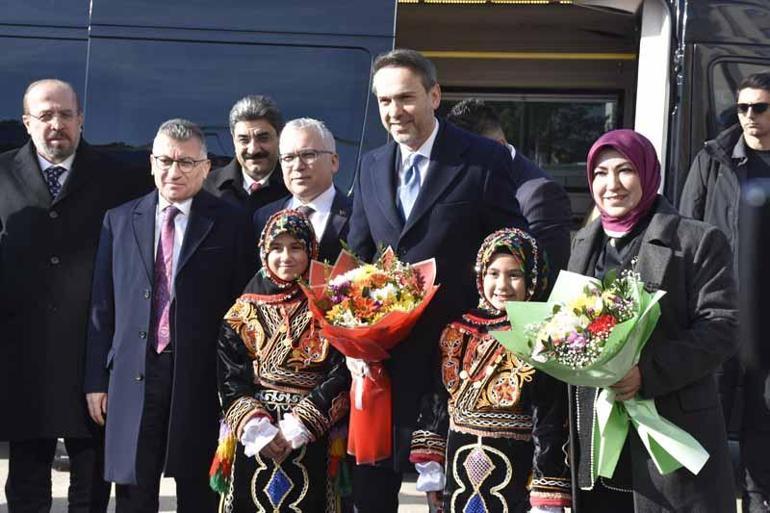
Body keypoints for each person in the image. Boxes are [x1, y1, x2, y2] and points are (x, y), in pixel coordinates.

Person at [346, 48, 528, 513]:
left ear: (435, 95)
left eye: (405, 98)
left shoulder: (483, 160)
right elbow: (357, 259)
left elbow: (511, 249)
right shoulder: (369, 166)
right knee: (373, 493)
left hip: (459, 367)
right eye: (384, 101)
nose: (394, 112)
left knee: (449, 494)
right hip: (383, 365)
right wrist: (352, 342)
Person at [84, 119, 255, 513]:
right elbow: (101, 307)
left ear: (206, 167)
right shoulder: (121, 219)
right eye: (164, 161)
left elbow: (243, 309)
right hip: (133, 376)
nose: (173, 171)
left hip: (198, 377)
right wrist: (96, 379)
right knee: (134, 491)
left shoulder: (229, 223)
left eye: (185, 163)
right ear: (151, 163)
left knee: (197, 490)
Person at [0, 78, 150, 513]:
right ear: (26, 122)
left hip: (92, 358)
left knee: (91, 490)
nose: (56, 124)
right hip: (23, 360)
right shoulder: (1, 173)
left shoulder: (119, 177)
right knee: (26, 487)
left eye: (66, 114)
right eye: (45, 115)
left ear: (81, 120)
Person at [570, 129, 737, 512]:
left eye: (625, 170)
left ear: (648, 174)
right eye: (599, 173)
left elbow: (721, 327)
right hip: (599, 436)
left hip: (672, 429)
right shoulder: (583, 243)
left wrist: (646, 372)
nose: (611, 185)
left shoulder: (696, 241)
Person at [409, 228, 571, 513]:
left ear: (533, 278)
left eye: (515, 275)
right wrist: (431, 468)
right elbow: (436, 402)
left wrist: (546, 494)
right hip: (458, 476)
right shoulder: (457, 331)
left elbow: (550, 421)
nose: (502, 285)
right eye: (493, 273)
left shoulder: (543, 336)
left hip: (515, 479)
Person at [215, 208, 350, 512]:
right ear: (263, 253)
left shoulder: (331, 307)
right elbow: (229, 377)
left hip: (310, 434)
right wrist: (258, 427)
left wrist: (300, 423)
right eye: (276, 248)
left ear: (311, 250)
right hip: (256, 436)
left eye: (296, 247)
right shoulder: (242, 311)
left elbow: (341, 372)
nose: (285, 257)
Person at [680, 71, 770, 512]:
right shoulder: (714, 159)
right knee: (707, 415)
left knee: (763, 426)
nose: (750, 117)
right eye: (743, 107)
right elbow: (685, 232)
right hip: (719, 313)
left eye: (760, 107)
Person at [446, 99, 573, 284]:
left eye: (469, 156)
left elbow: (544, 279)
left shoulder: (541, 194)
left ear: (500, 145)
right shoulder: (466, 183)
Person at [254, 118, 352, 264]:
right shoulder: (264, 217)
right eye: (288, 158)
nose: (298, 166)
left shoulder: (358, 215)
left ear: (333, 162)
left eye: (308, 155)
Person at [203, 95, 288, 214]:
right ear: (233, 140)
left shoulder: (297, 187)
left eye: (263, 138)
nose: (253, 150)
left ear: (279, 136)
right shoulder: (207, 189)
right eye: (244, 140)